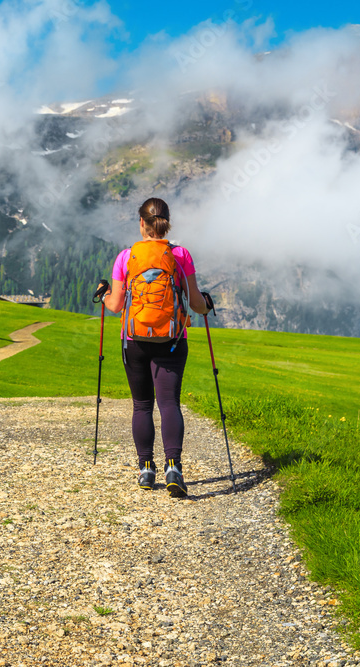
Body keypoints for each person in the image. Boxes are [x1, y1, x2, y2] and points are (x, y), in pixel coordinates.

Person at [100, 197, 212, 497]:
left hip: (134, 341)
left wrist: (103, 293)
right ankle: (173, 467)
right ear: (167, 222)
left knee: (142, 406)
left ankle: (146, 469)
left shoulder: (126, 257)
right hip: (173, 341)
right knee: (169, 404)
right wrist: (206, 304)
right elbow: (198, 304)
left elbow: (115, 305)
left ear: (141, 223)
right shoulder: (181, 254)